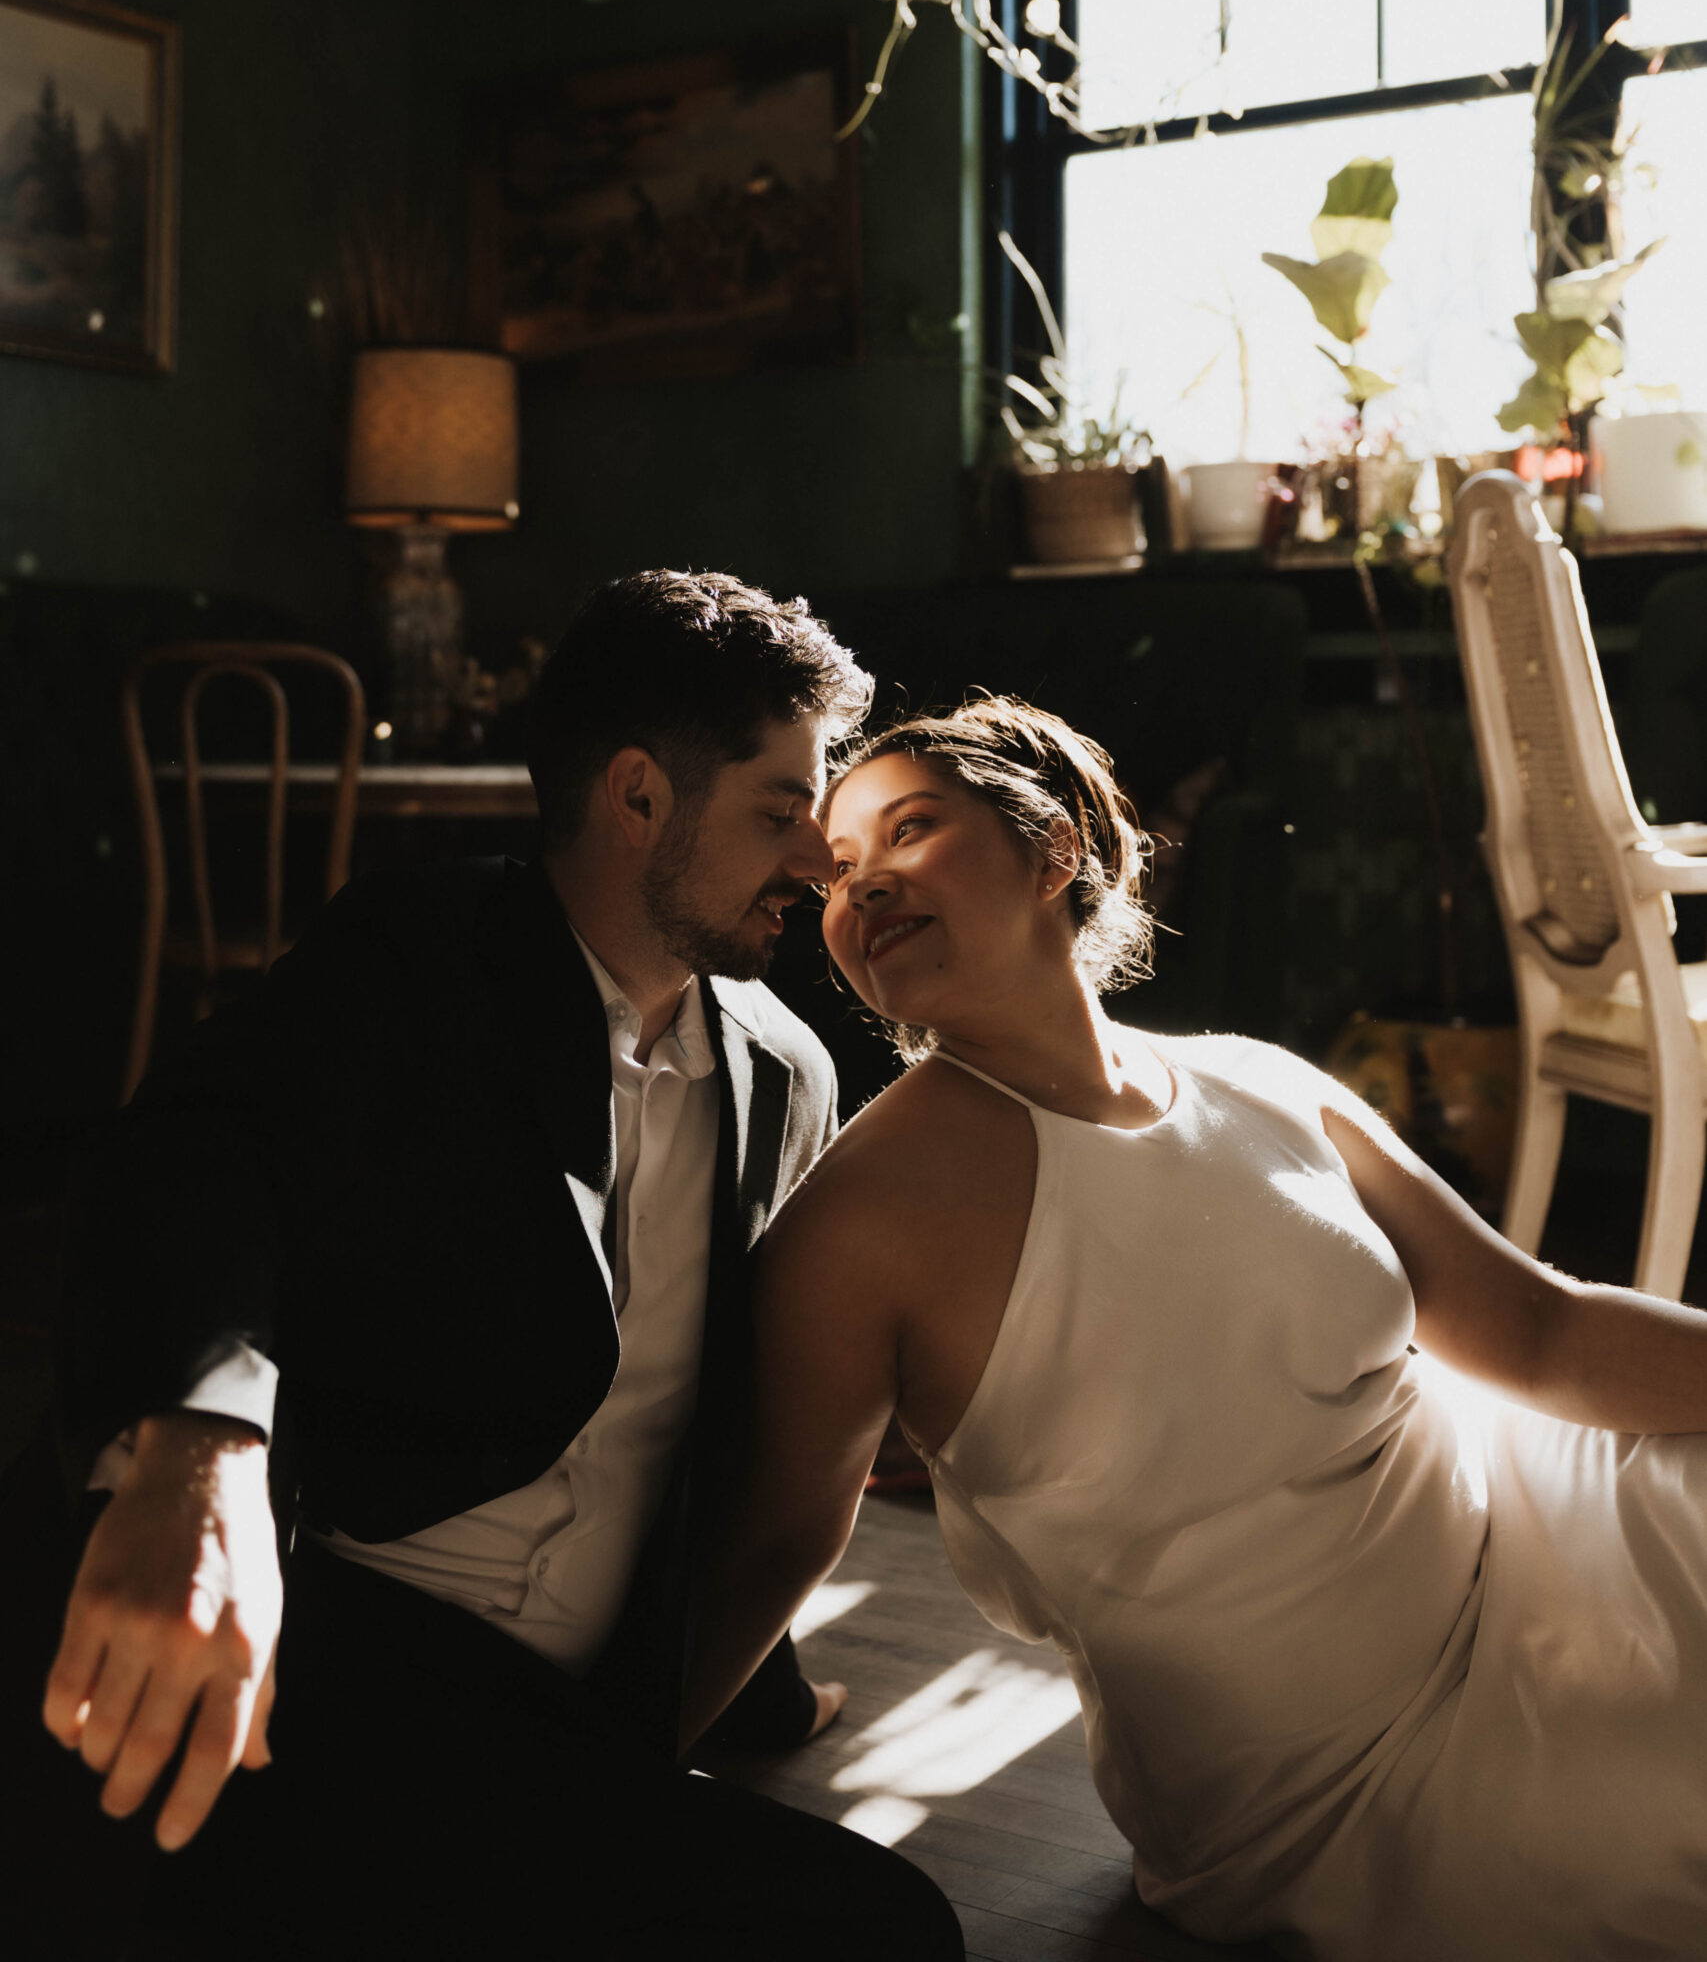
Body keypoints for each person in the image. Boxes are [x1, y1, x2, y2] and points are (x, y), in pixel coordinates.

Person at [24, 572, 963, 1962]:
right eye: (779, 813)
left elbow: (736, 1425)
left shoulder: (788, 1074)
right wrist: (199, 1448)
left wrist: (754, 1685)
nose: (819, 865)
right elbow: (188, 1160)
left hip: (555, 1723)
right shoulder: (419, 954)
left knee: (889, 1931)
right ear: (637, 796)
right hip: (323, 1646)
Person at [681, 694, 1707, 1962]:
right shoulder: (861, 1221)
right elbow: (775, 1538)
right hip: (1335, 1784)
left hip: (1533, 1542)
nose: (864, 890)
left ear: (1052, 844)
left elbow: (1543, 1335)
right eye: (838, 874)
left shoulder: (1259, 1080)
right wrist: (585, 1793)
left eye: (911, 832)